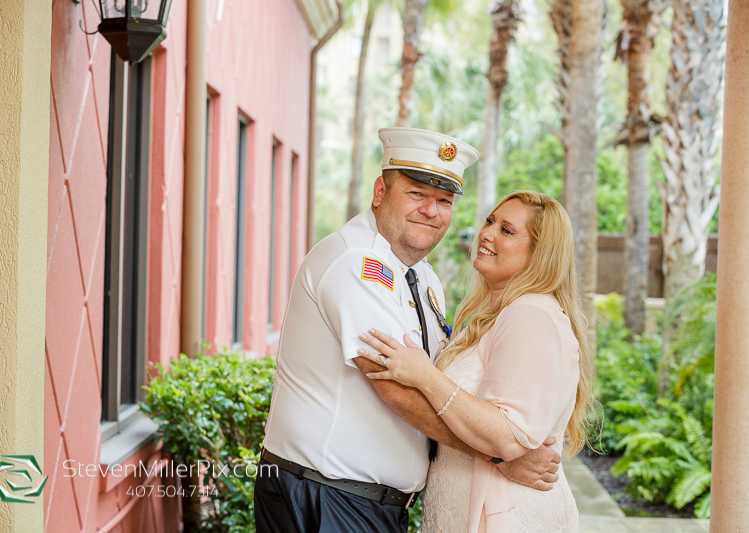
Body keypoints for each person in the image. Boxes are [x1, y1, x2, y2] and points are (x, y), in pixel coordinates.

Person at [254, 129, 562, 533]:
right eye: (417, 194)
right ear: (380, 191)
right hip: (326, 498)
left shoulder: (423, 277)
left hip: (369, 505)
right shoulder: (355, 263)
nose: (432, 211)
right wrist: (498, 456)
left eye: (445, 201)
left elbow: (430, 375)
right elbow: (395, 387)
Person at [356, 190, 593, 532]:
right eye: (490, 221)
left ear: (540, 253)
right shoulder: (501, 314)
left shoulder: (532, 314)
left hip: (508, 515)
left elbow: (510, 436)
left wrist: (425, 375)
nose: (487, 233)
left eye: (507, 231)